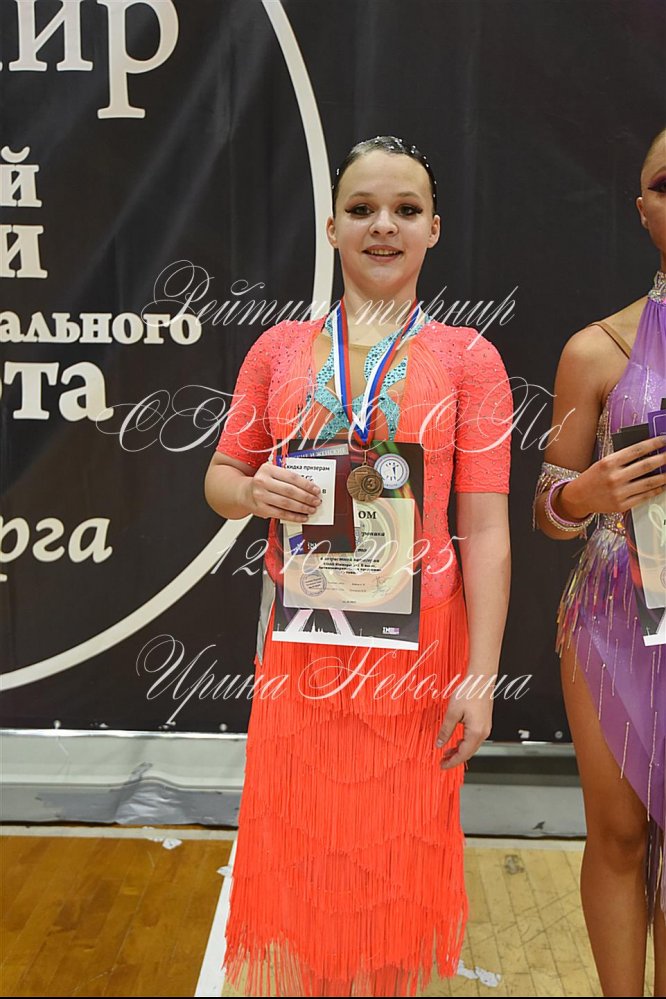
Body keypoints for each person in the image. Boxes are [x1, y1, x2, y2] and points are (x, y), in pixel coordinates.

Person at [205, 135, 512, 997]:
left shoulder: (470, 358)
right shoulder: (277, 350)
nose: (384, 225)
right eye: (362, 208)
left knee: (395, 871)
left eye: (406, 210)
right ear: (330, 226)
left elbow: (486, 529)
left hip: (421, 654)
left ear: (435, 229)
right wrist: (252, 490)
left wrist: (481, 677)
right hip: (304, 649)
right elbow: (220, 479)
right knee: (307, 860)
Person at [533, 127, 666, 997]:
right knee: (618, 834)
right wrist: (585, 493)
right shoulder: (596, 350)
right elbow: (547, 510)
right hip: (616, 614)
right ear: (642, 208)